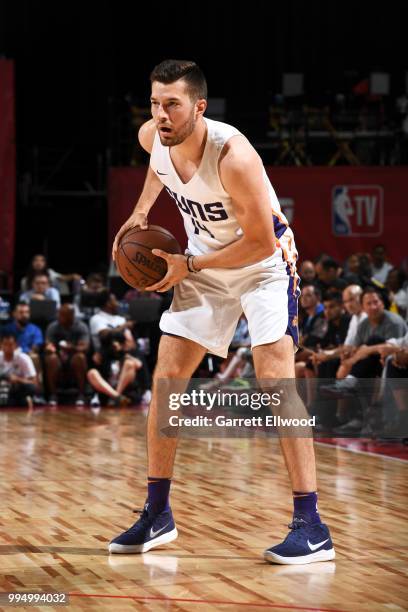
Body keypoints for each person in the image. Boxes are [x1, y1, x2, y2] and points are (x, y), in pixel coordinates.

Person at [109, 59, 334, 564]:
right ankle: (157, 513)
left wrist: (189, 264)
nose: (161, 114)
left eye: (173, 104)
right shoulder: (154, 136)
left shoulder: (233, 155)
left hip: (264, 265)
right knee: (167, 378)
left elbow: (258, 242)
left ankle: (312, 525)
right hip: (202, 265)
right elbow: (156, 164)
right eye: (155, 103)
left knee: (275, 380)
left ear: (199, 107)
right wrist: (142, 210)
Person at [44, 304, 90, 406]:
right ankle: (53, 395)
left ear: (71, 316)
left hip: (73, 357)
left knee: (80, 357)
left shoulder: (81, 326)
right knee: (51, 359)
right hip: (58, 357)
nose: (59, 317)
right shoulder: (53, 326)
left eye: (63, 315)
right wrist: (50, 348)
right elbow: (48, 344)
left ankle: (81, 395)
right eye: (59, 314)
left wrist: (72, 348)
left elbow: (85, 347)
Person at [0, 333, 37, 407]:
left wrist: (17, 379)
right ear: (1, 345)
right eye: (5, 344)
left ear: (16, 345)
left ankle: (23, 399)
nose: (8, 347)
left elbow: (34, 383)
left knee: (30, 388)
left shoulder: (24, 358)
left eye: (10, 344)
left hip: (17, 389)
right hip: (2, 388)